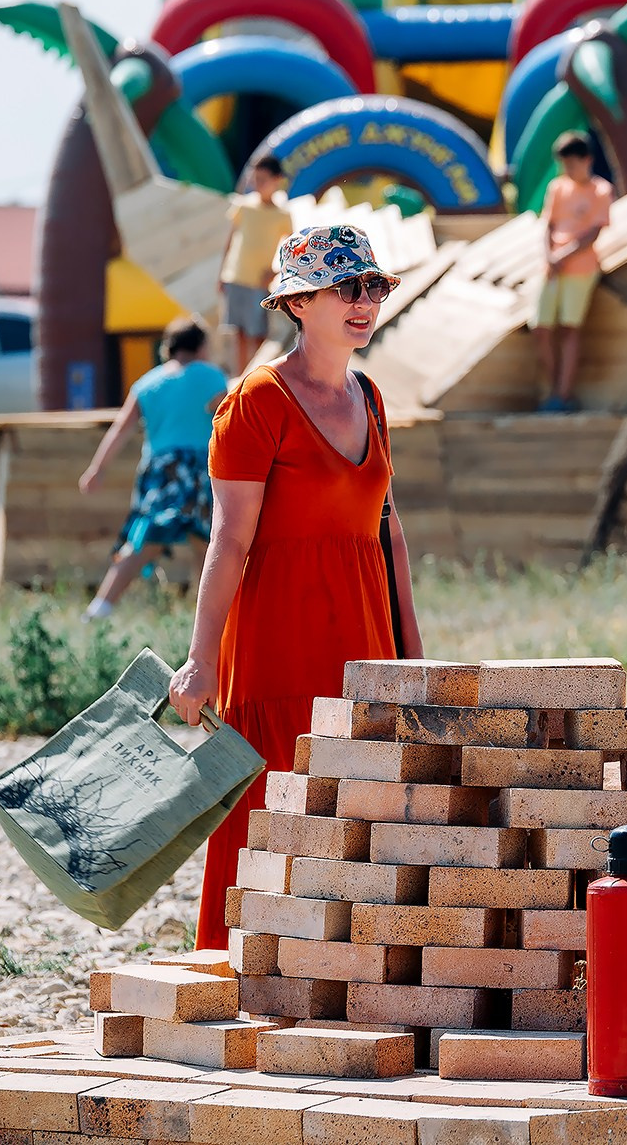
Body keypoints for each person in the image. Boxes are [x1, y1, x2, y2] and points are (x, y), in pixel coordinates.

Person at [168, 224, 425, 951]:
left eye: (373, 286)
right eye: (346, 287)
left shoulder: (371, 397)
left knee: (357, 815)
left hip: (364, 646)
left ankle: (339, 977)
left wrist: (413, 654)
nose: (364, 301)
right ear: (298, 302)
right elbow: (229, 540)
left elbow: (388, 532)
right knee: (267, 812)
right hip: (277, 647)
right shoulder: (256, 400)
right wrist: (201, 659)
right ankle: (241, 971)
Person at [77, 318, 229, 620]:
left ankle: (99, 609)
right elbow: (230, 420)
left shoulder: (147, 384)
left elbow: (120, 429)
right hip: (198, 470)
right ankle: (211, 620)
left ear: (167, 348)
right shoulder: (212, 377)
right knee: (207, 544)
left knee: (144, 538)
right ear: (201, 347)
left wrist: (97, 468)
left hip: (159, 471)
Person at [533, 132, 615, 411]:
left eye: (572, 164)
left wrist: (562, 256)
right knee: (541, 329)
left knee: (570, 329)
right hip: (552, 267)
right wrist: (550, 257)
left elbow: (592, 233)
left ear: (587, 160)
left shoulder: (600, 190)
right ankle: (552, 389)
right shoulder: (557, 187)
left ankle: (563, 394)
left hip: (580, 268)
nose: (567, 170)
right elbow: (548, 225)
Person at [220, 155, 291, 373]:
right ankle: (241, 378)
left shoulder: (282, 215)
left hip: (259, 283)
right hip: (235, 277)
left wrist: (275, 272)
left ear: (277, 180)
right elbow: (230, 241)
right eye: (255, 179)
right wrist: (221, 274)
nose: (257, 184)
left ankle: (258, 377)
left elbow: (290, 251)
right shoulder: (243, 206)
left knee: (259, 335)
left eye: (263, 179)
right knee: (239, 333)